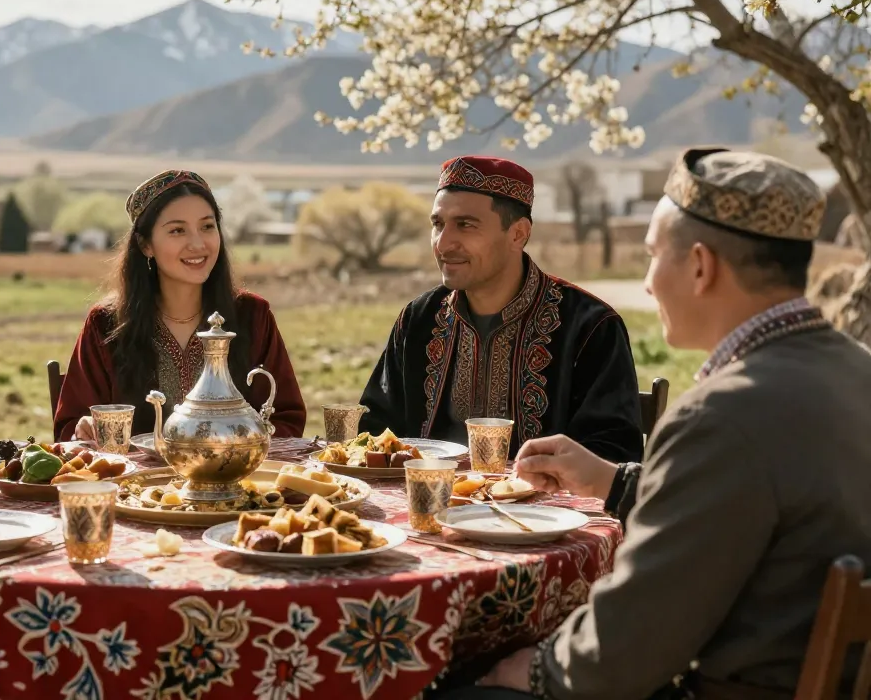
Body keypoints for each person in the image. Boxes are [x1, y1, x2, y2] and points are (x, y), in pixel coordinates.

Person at [467, 148, 871, 698]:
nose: (650, 282)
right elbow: (753, 506)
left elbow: (619, 655)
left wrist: (529, 670)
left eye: (654, 255)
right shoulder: (855, 368)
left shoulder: (723, 415)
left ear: (701, 266)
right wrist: (617, 482)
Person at [357, 155, 643, 462]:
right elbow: (375, 434)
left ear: (518, 233)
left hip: (545, 510)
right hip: (428, 505)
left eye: (465, 225)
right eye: (438, 224)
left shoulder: (590, 328)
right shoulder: (418, 320)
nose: (443, 244)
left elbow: (613, 455)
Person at [53, 169, 305, 443]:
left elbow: (285, 419)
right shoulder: (106, 324)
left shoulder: (252, 316)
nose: (197, 243)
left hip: (233, 480)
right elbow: (71, 430)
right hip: (135, 484)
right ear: (145, 244)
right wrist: (86, 427)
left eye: (207, 226)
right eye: (177, 230)